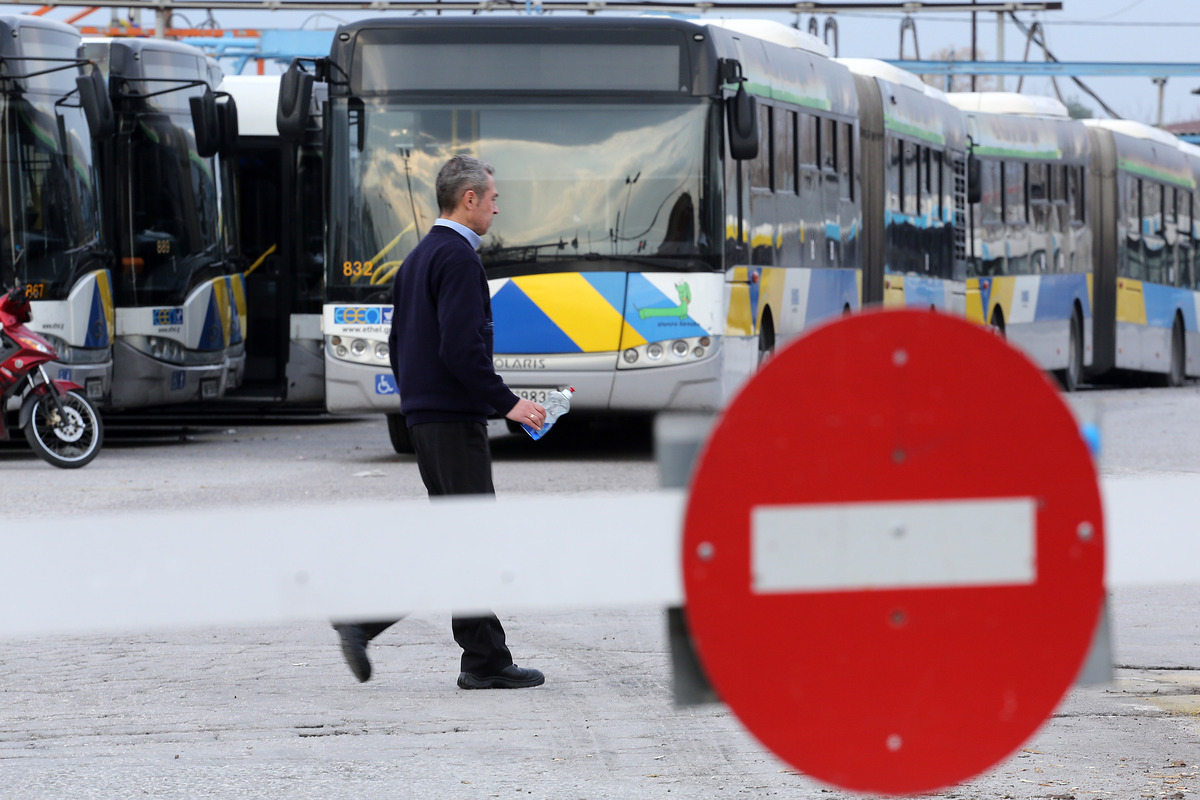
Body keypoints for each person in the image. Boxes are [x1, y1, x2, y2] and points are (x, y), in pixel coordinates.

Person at [333, 154, 546, 691]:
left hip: (428, 421)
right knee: (471, 536)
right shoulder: (457, 259)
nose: (498, 206)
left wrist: (418, 405)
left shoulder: (418, 258)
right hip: (452, 422)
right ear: (468, 200)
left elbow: (399, 345)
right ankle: (391, 628)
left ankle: (481, 657)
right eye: (492, 197)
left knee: (461, 537)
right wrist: (509, 403)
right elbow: (461, 348)